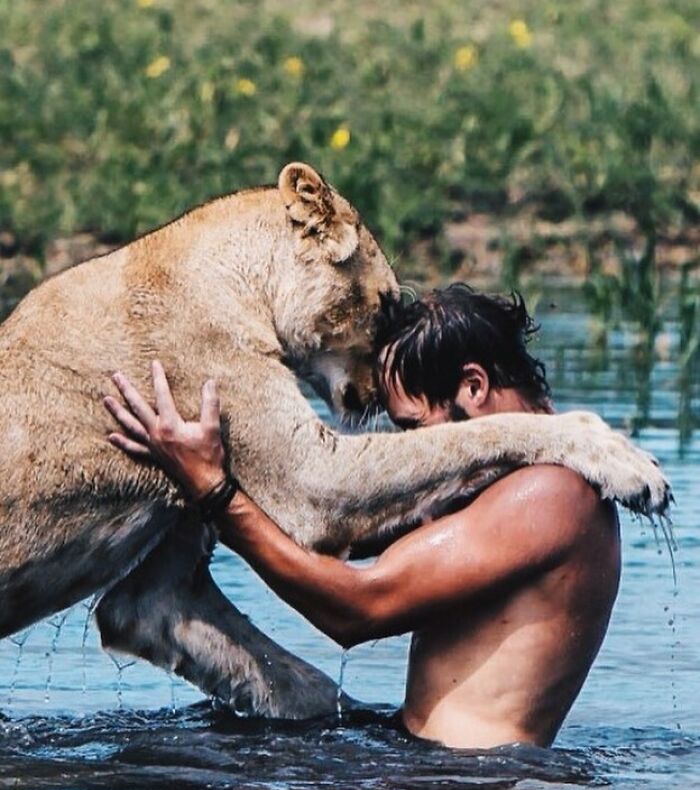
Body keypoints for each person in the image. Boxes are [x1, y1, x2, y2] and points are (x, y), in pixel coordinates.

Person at [104, 284, 621, 749]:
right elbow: (336, 530)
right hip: (435, 774)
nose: (415, 454)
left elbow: (357, 609)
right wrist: (199, 473)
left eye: (414, 429)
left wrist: (215, 492)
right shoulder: (504, 483)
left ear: (473, 386)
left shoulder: (549, 492)